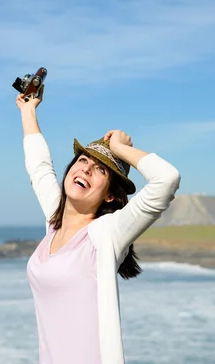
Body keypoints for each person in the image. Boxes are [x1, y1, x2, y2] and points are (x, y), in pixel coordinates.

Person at [16, 85, 181, 364]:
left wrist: (119, 148)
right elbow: (39, 166)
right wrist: (28, 109)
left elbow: (166, 180)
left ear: (110, 195)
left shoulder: (106, 234)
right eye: (82, 160)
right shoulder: (54, 224)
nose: (86, 169)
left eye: (100, 169)